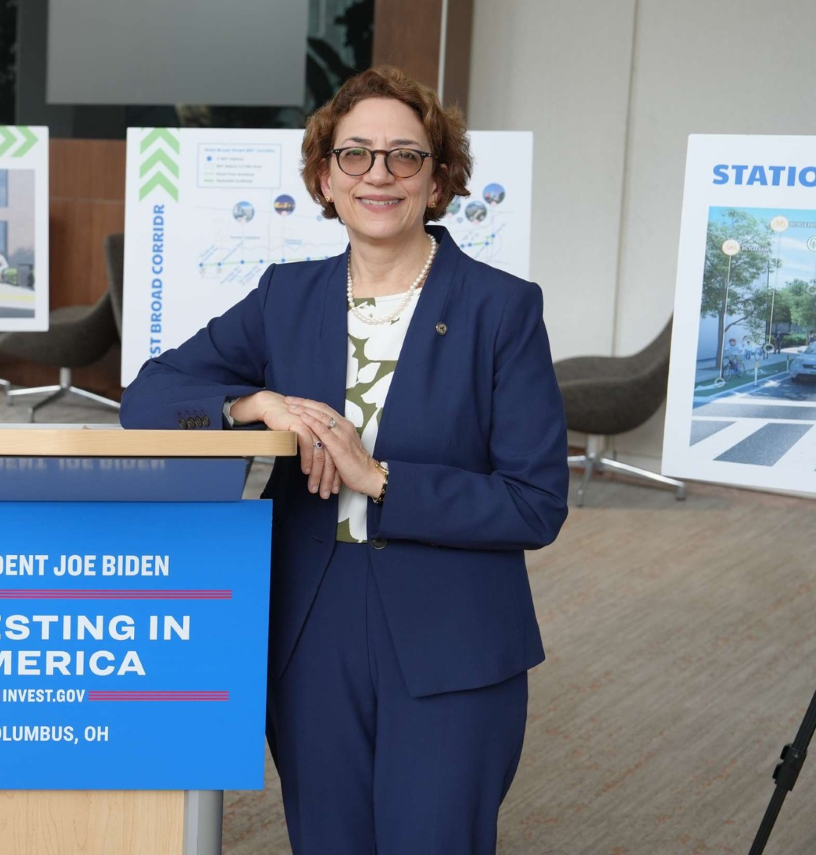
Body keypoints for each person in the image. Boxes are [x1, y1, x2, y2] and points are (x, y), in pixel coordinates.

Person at [121, 66, 567, 854]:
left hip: (451, 631)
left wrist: (381, 479)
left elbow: (536, 502)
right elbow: (150, 395)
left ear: (438, 182)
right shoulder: (285, 297)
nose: (378, 175)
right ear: (325, 178)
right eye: (355, 155)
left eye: (405, 156)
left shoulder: (502, 307)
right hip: (311, 626)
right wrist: (251, 404)